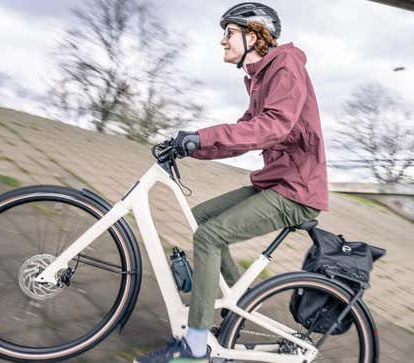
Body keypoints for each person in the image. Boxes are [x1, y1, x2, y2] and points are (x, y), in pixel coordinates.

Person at [135, 2, 328, 362]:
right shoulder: (260, 78)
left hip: (297, 189)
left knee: (209, 237)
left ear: (253, 36)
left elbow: (272, 127)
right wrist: (189, 147)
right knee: (201, 220)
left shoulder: (285, 65)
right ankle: (238, 305)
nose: (222, 41)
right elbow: (243, 134)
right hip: (275, 182)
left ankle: (195, 349)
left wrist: (202, 136)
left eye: (229, 33)